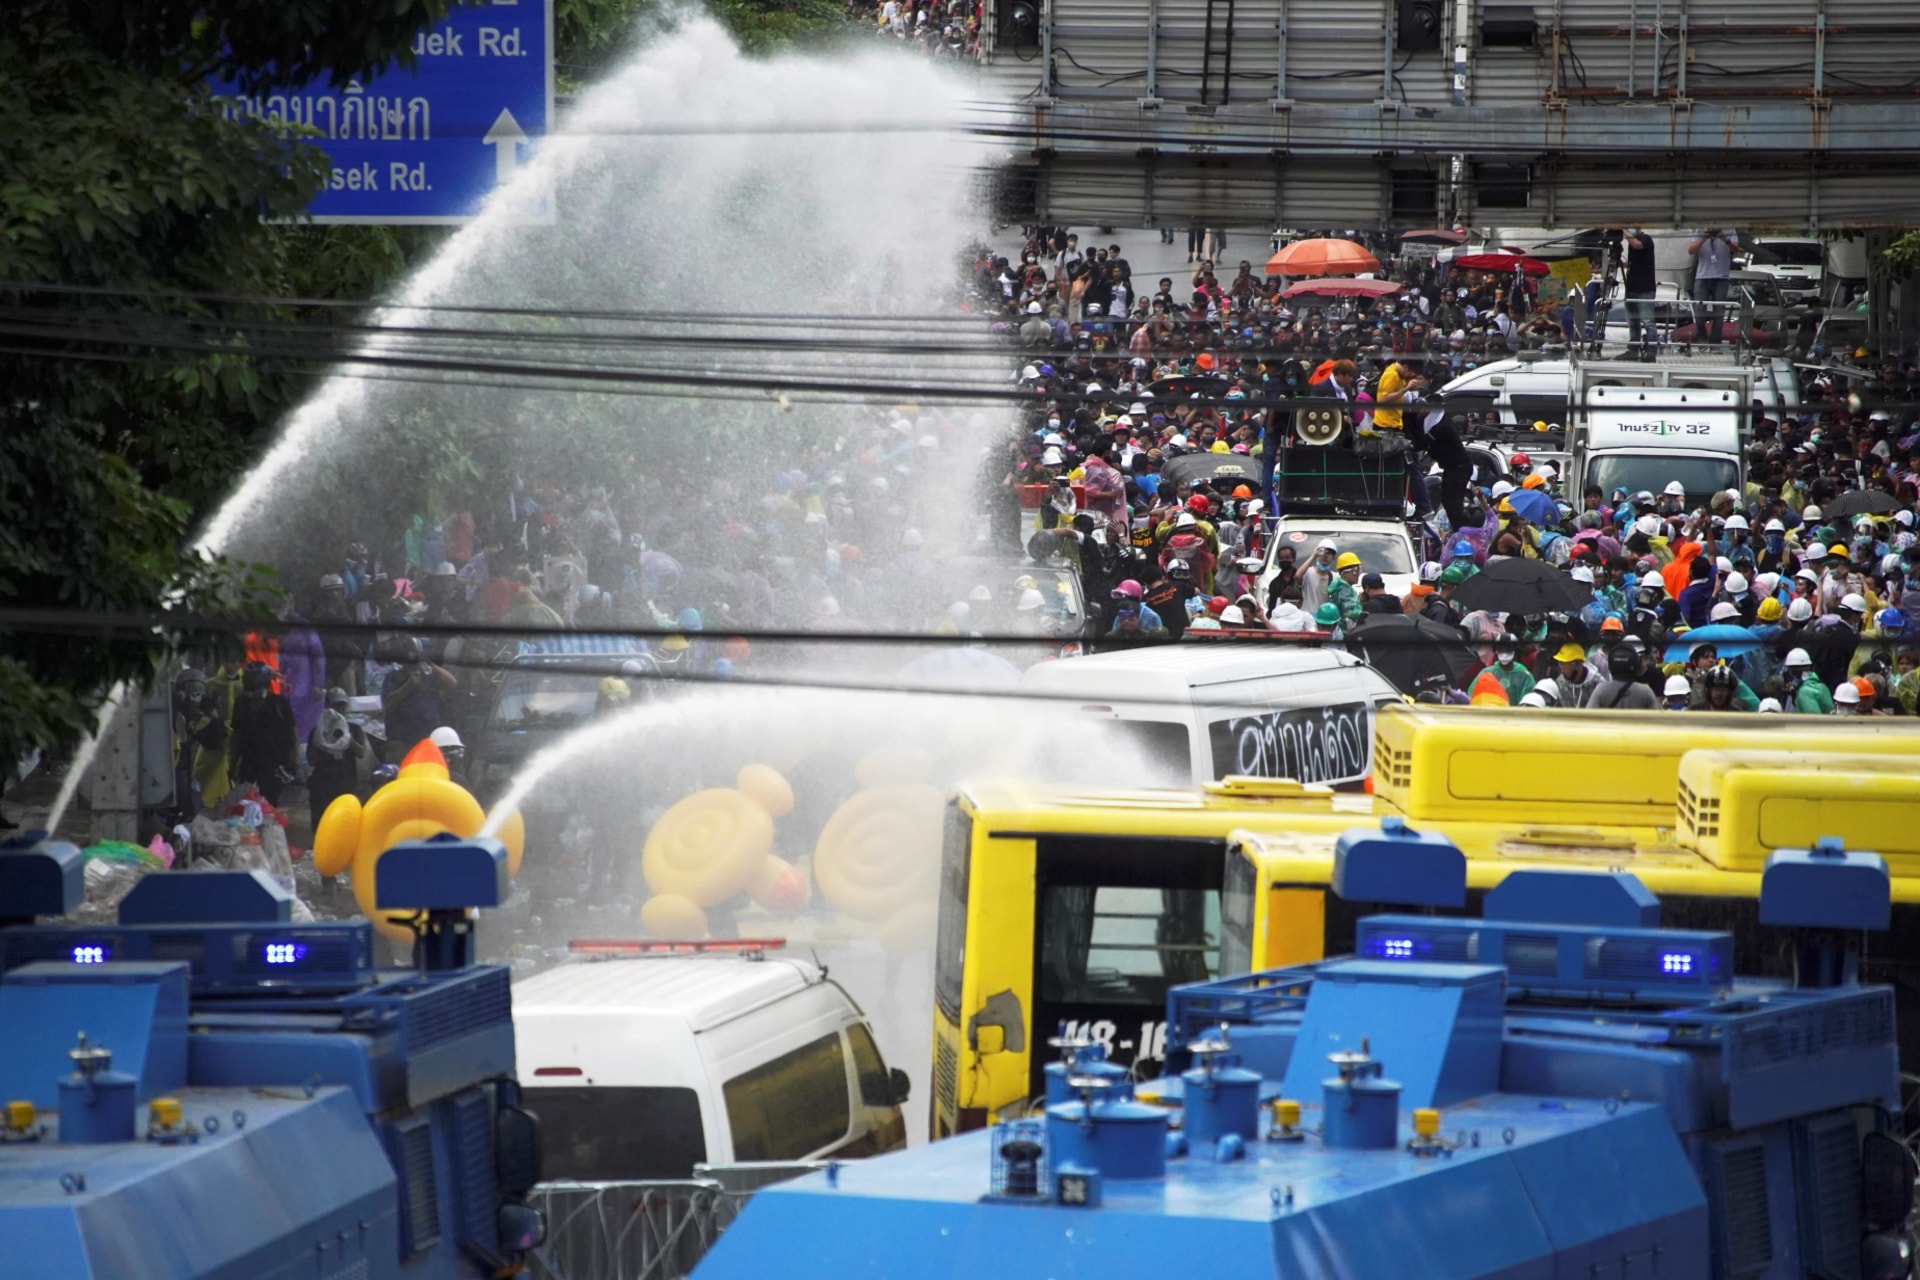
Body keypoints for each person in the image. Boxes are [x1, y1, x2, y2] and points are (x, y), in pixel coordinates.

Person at [228, 662, 298, 806]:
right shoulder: (241, 704)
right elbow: (236, 736)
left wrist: (294, 760)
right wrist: (232, 764)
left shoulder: (278, 703)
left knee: (269, 806)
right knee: (246, 804)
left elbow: (293, 732)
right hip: (249, 764)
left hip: (273, 765)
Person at [306, 688, 369, 829]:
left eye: (342, 705)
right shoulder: (317, 731)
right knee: (322, 824)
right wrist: (319, 740)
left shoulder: (354, 729)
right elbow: (311, 760)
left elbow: (361, 753)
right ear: (328, 706)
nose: (339, 710)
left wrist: (348, 739)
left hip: (345, 782)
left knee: (345, 823)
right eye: (336, 706)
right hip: (323, 784)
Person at [1687, 228, 1739, 344]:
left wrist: (1724, 238)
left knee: (1719, 312)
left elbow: (1736, 249)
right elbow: (1691, 250)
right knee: (1699, 310)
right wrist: (1703, 238)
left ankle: (1715, 341)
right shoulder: (1700, 230)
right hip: (1703, 275)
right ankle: (1702, 337)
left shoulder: (1729, 229)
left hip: (1721, 276)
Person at [1621, 227, 1659, 353]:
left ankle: (1651, 349)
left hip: (1644, 288)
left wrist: (1622, 230)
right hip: (1631, 287)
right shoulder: (1631, 245)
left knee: (1647, 320)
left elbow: (1637, 245)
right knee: (1633, 321)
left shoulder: (1646, 239)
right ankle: (1633, 348)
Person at [1586, 644, 1659, 709]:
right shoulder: (1645, 692)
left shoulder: (1601, 690)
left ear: (1610, 666)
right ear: (1636, 664)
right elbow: (1658, 719)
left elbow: (1588, 719)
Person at [1484, 633, 1535, 704]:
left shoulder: (1525, 676)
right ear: (1496, 649)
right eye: (1501, 648)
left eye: (1508, 648)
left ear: (1515, 650)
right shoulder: (1487, 673)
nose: (1504, 652)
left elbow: (1529, 701)